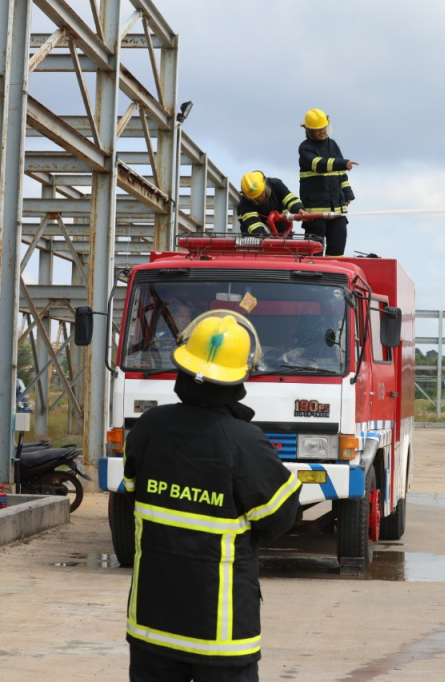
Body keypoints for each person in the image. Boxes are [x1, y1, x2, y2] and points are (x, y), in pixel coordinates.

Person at [123, 310, 301, 681]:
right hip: (218, 635)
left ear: (182, 368)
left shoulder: (148, 428)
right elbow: (279, 520)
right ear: (241, 376)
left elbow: (130, 494)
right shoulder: (244, 442)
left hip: (151, 624)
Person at [297, 108, 358, 256]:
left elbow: (341, 174)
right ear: (309, 130)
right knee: (314, 253)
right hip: (315, 212)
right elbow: (320, 165)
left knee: (337, 250)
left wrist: (347, 193)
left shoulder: (333, 145)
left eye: (323, 128)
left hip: (337, 210)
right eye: (318, 130)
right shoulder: (305, 148)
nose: (322, 132)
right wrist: (342, 163)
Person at [236, 171, 308, 235]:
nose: (260, 198)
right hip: (259, 227)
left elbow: (290, 199)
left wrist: (299, 209)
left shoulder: (276, 184)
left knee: (286, 243)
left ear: (265, 184)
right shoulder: (245, 203)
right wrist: (264, 240)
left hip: (280, 222)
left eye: (262, 193)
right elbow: (252, 223)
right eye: (256, 198)